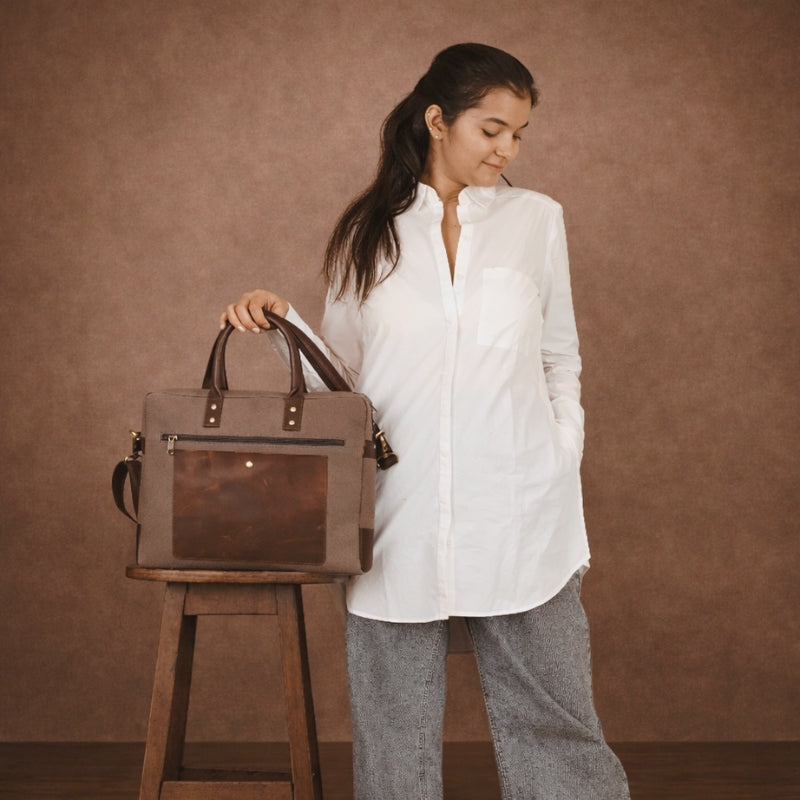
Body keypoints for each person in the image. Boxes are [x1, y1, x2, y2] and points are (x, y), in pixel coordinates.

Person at [221, 42, 630, 800]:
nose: (507, 148)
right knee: (392, 738)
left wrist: (558, 457)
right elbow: (343, 384)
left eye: (520, 134)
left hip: (521, 508)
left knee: (558, 724)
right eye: (492, 128)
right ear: (437, 120)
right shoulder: (365, 235)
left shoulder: (536, 220)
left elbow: (558, 357)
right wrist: (285, 323)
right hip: (396, 514)